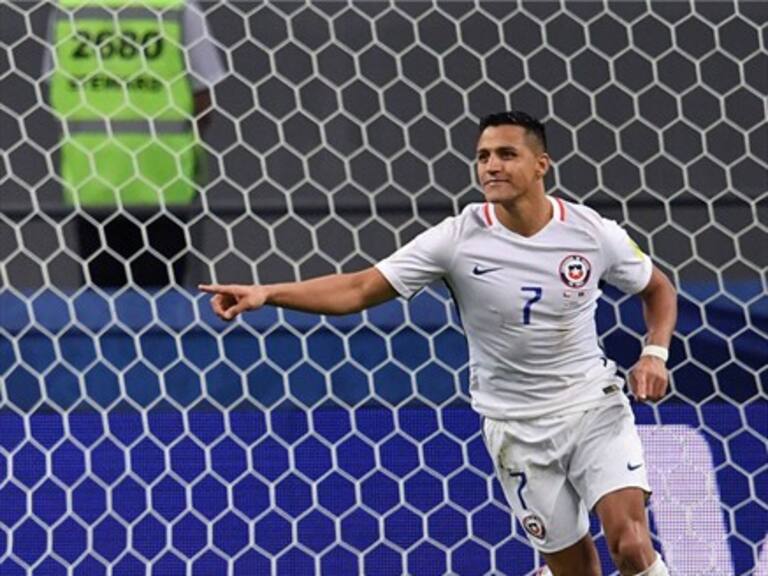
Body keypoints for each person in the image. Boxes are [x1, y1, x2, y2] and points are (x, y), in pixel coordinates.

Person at [200, 111, 677, 576]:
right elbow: (359, 289)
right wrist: (268, 294)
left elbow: (658, 289)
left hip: (591, 406)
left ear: (541, 165)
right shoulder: (456, 239)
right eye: (483, 156)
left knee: (631, 546)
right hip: (515, 428)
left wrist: (654, 353)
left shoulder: (591, 232)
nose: (491, 166)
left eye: (506, 154)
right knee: (577, 571)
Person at [44, 0, 225, 287]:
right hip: (164, 177)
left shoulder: (69, 10)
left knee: (101, 299)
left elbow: (57, 86)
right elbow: (203, 98)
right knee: (162, 299)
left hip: (93, 178)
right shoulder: (178, 8)